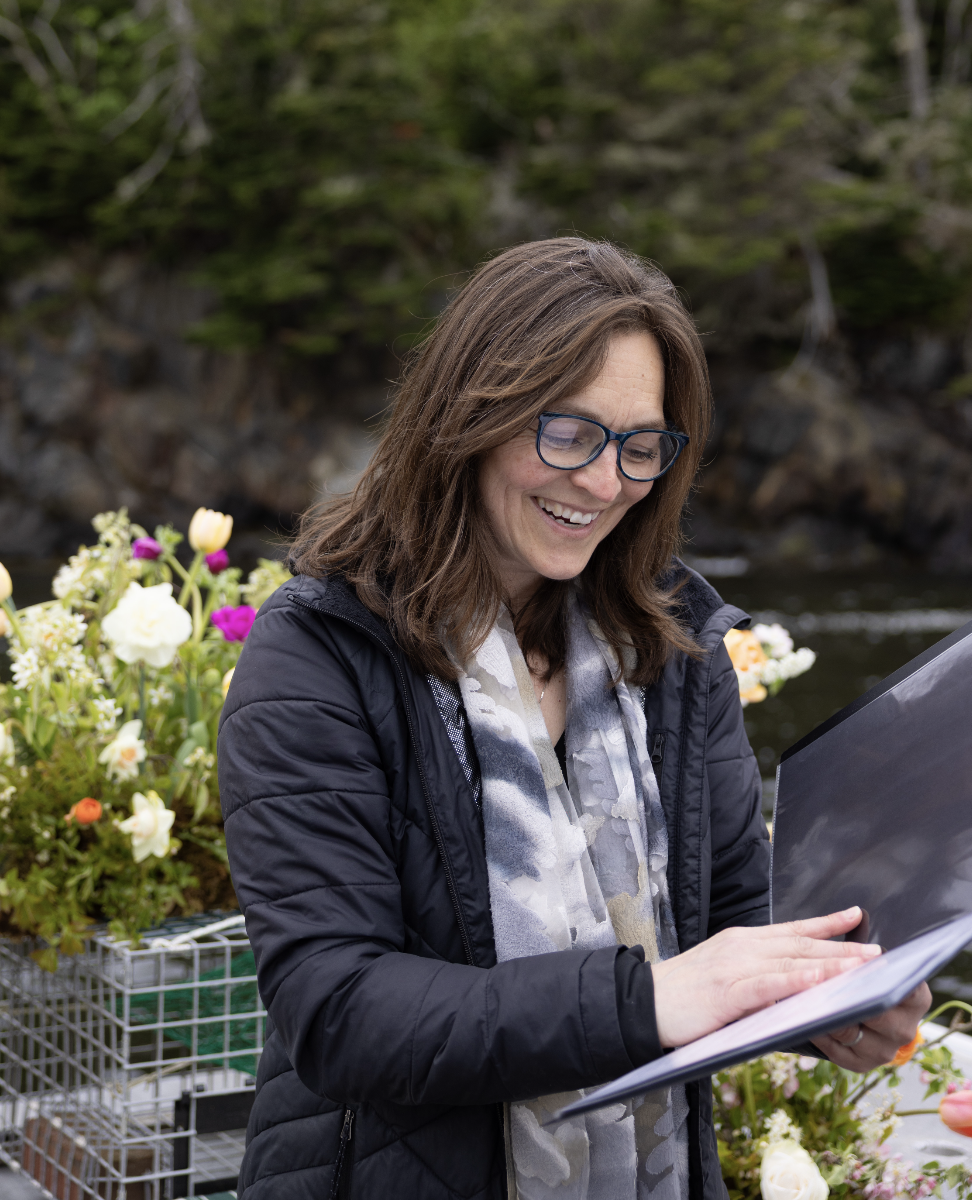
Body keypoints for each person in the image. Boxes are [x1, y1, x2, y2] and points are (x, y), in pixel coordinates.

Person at [219, 238, 925, 1200]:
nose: (604, 482)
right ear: (469, 416)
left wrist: (833, 999)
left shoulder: (669, 645)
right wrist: (646, 1001)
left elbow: (732, 920)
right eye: (568, 433)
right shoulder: (319, 654)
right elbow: (338, 1012)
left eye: (641, 445)